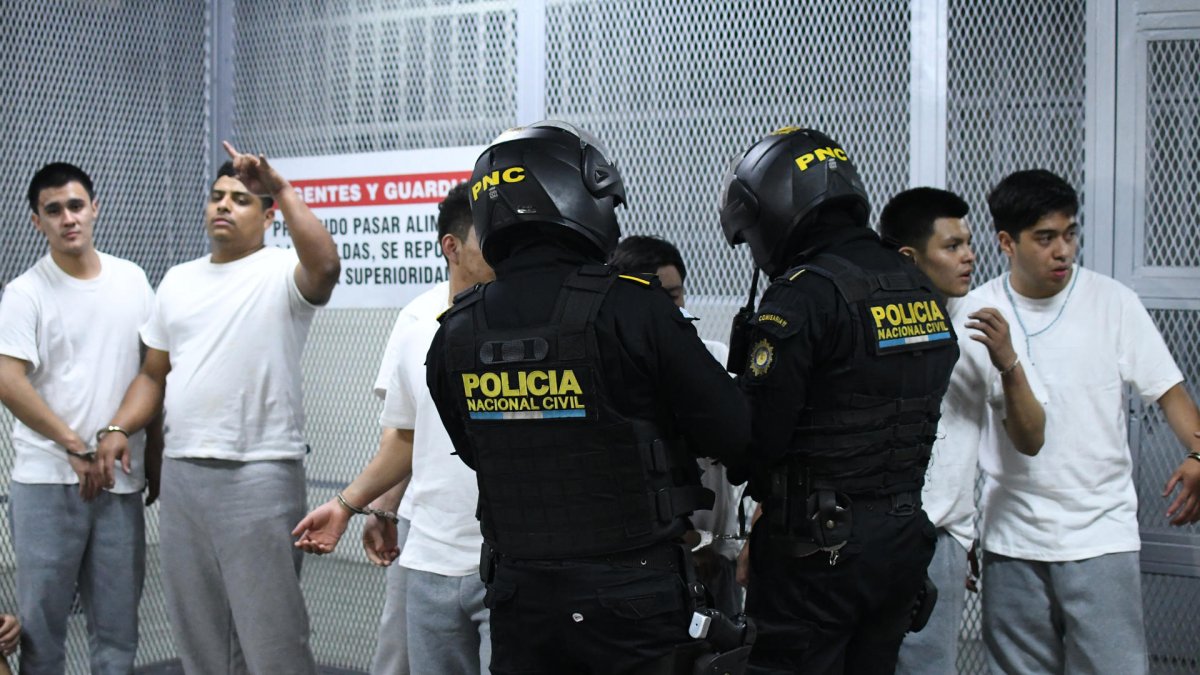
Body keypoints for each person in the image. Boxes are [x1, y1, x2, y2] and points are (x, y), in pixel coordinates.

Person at [423, 120, 751, 674]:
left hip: (520, 602)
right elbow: (739, 439)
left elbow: (482, 451)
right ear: (576, 196)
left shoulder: (454, 331)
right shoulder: (636, 308)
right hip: (633, 600)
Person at [718, 127, 959, 674]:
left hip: (816, 551)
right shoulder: (912, 282)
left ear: (777, 211)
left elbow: (755, 441)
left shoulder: (804, 294)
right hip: (900, 537)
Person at [95, 142, 340, 674]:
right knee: (198, 633)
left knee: (272, 634)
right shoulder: (178, 280)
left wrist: (282, 186)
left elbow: (325, 266)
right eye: (216, 197)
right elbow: (153, 373)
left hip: (259, 472)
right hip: (185, 472)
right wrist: (118, 427)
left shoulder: (282, 272)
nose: (224, 206)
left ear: (268, 215)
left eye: (241, 199)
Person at [966, 169, 1200, 674]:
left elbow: (1170, 392)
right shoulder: (977, 311)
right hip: (1010, 536)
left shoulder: (1112, 301)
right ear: (1006, 242)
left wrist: (1199, 453)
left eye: (1070, 234)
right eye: (1045, 238)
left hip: (1101, 534)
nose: (1063, 251)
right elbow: (957, 431)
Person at [294, 181, 496, 674]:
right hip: (428, 552)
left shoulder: (530, 321)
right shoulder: (416, 320)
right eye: (491, 238)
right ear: (452, 247)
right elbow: (405, 437)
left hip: (508, 558)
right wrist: (354, 505)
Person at [879, 187, 1046, 675]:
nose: (970, 256)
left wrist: (1008, 363)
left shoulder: (985, 325)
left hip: (940, 540)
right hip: (863, 537)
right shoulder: (865, 320)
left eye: (968, 243)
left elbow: (1032, 439)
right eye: (952, 246)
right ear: (910, 258)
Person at [0, 162, 157, 674]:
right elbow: (8, 379)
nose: (67, 218)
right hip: (47, 481)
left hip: (118, 481)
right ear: (36, 221)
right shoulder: (25, 293)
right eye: (53, 210)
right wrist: (73, 444)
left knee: (117, 632)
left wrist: (149, 449)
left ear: (94, 209)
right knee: (41, 633)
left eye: (75, 205)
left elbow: (153, 371)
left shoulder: (132, 280)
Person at [608, 234, 752, 617]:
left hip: (714, 560)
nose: (669, 309)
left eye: (674, 296)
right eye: (655, 298)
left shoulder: (713, 358)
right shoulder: (614, 378)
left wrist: (716, 546)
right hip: (649, 565)